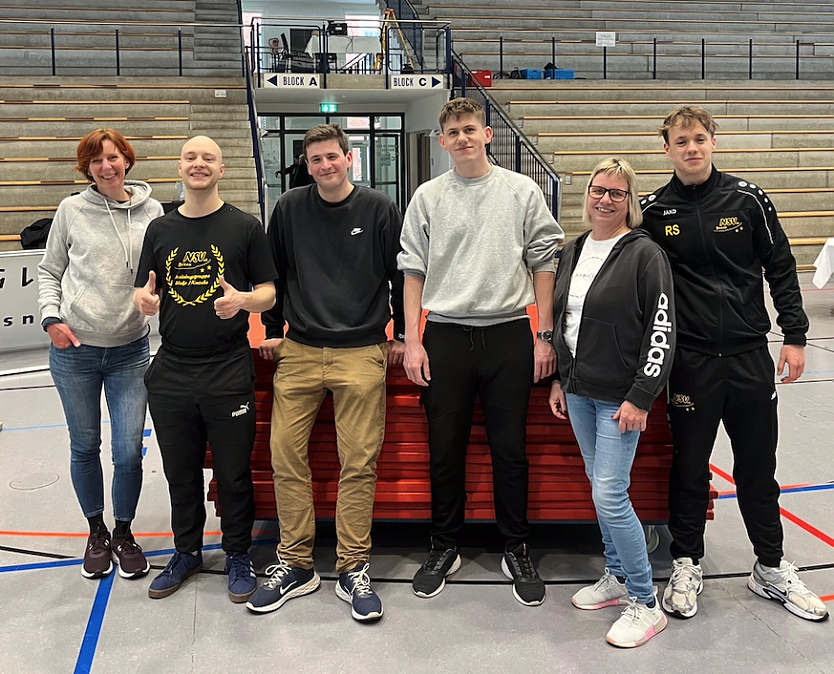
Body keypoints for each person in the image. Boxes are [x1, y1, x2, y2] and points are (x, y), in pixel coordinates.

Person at [640, 106, 828, 622]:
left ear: (713, 143)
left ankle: (769, 567)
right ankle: (685, 562)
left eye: (699, 138)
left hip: (749, 358)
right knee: (690, 470)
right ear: (667, 149)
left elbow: (782, 267)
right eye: (681, 141)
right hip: (691, 364)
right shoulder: (653, 211)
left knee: (757, 470)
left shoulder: (749, 199)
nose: (691, 148)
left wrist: (794, 336)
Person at [398, 97, 563, 606]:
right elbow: (412, 272)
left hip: (509, 334)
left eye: (471, 129)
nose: (463, 138)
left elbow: (544, 262)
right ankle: (443, 544)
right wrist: (412, 339)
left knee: (510, 451)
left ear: (487, 134)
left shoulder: (520, 190)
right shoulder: (427, 197)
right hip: (445, 335)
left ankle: (516, 545)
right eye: (453, 132)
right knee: (444, 450)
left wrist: (544, 334)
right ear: (442, 141)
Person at [246, 124, 405, 623]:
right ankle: (294, 564)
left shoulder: (378, 208)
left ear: (349, 157)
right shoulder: (290, 208)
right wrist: (272, 328)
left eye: (331, 157)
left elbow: (397, 274)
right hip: (300, 349)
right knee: (284, 457)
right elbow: (273, 271)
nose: (324, 166)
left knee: (358, 461)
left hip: (362, 351)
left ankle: (353, 566)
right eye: (315, 160)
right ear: (307, 165)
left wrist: (399, 334)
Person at [132, 136, 277, 603]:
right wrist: (144, 300)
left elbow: (270, 293)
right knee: (180, 471)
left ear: (221, 168)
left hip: (227, 367)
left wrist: (243, 301)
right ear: (180, 167)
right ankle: (187, 551)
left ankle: (237, 553)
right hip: (172, 369)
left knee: (234, 473)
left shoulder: (244, 226)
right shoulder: (160, 229)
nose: (199, 164)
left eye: (208, 158)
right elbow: (144, 290)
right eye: (191, 157)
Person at [548, 158, 675, 647]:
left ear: (631, 202)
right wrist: (562, 378)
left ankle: (645, 601)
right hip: (579, 390)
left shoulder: (645, 254)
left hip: (621, 397)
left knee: (609, 493)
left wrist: (641, 396)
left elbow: (661, 329)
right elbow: (566, 319)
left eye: (617, 193)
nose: (604, 199)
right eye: (598, 190)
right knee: (598, 487)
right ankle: (617, 577)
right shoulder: (575, 248)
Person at [38, 128, 164, 581]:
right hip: (75, 351)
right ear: (86, 168)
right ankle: (96, 529)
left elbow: (161, 275)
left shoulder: (153, 211)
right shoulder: (71, 210)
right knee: (84, 444)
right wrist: (52, 319)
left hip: (131, 350)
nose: (105, 166)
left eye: (112, 157)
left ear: (127, 160)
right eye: (95, 161)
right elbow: (50, 269)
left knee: (129, 450)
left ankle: (124, 530)